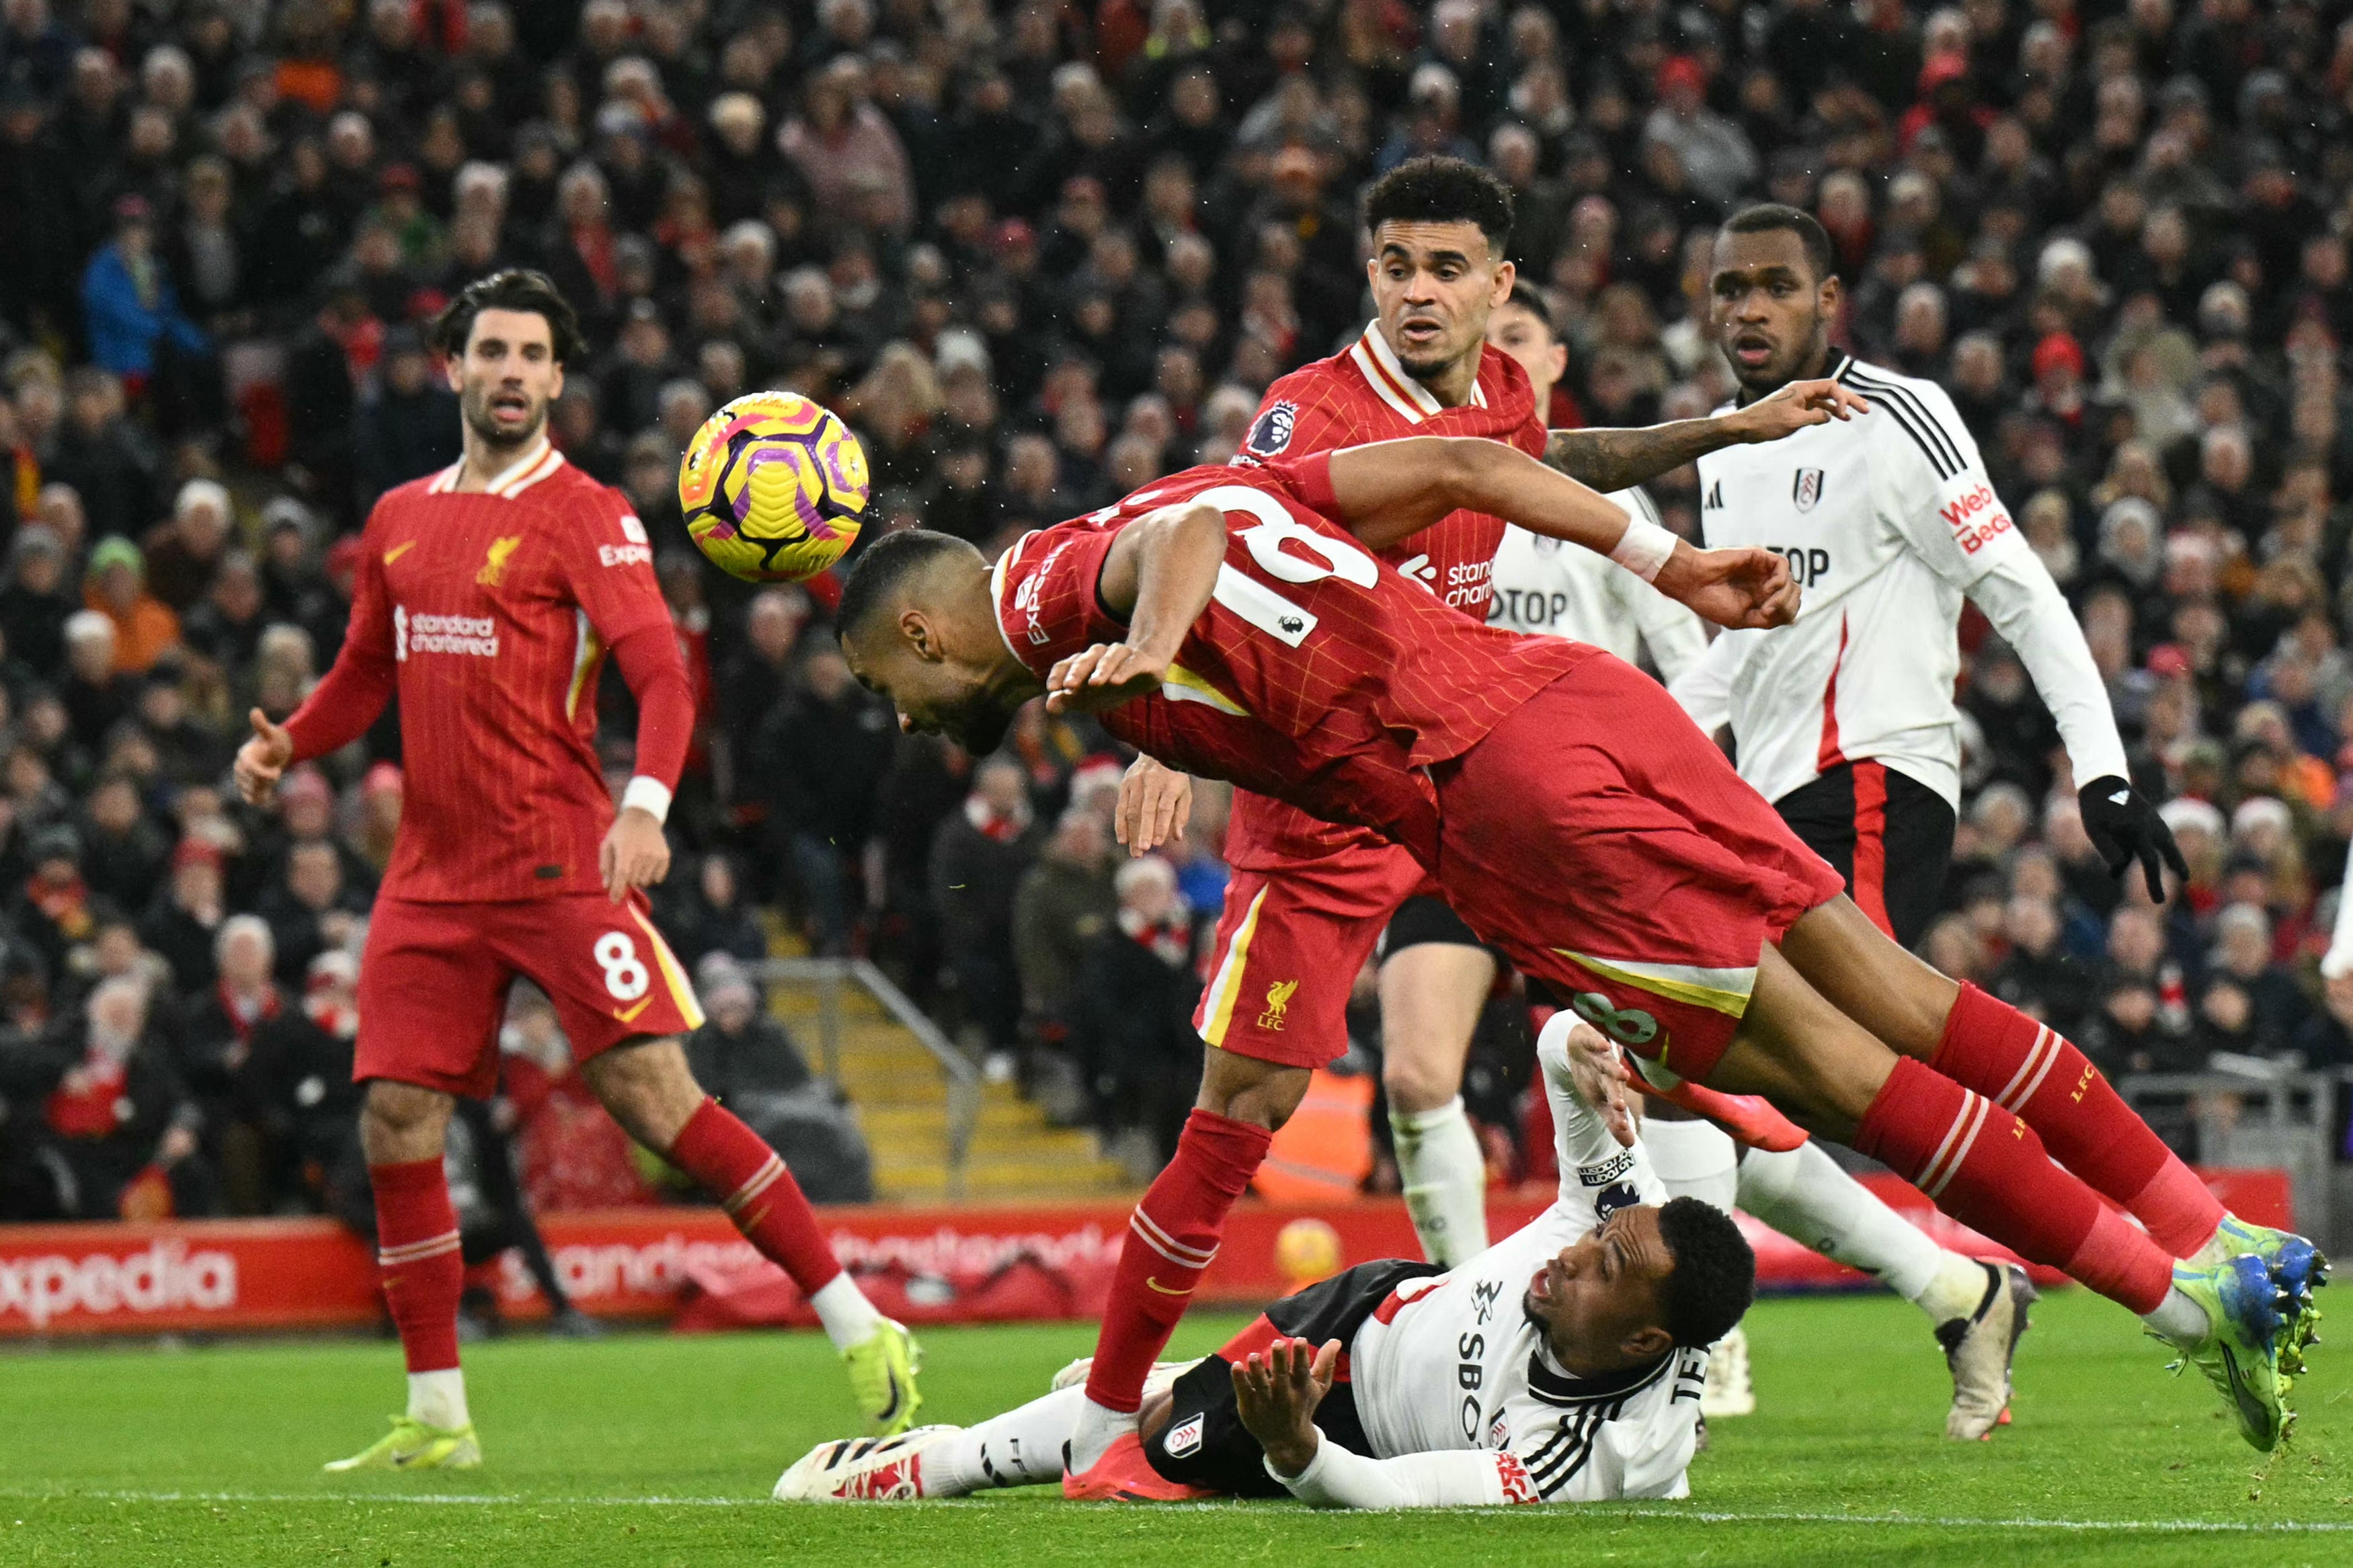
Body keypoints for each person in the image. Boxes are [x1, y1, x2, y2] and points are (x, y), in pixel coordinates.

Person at [834, 431, 2318, 1464]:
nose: (904, 722)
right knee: (1896, 994)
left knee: (1837, 1077)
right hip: (1577, 699)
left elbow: (1186, 545)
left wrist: (1155, 648)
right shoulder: (1184, 492)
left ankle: (2183, 1310)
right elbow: (1458, 475)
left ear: (916, 631)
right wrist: (1669, 568)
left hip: (1503, 803)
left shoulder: (1036, 596)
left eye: (885, 688)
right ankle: (2216, 1244)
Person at [1086, 154, 1862, 1475]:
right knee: (1244, 1114)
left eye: (1447, 269)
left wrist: (1721, 434)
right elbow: (1204, 538)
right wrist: (1163, 712)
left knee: (1671, 991)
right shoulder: (1303, 414)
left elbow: (1539, 458)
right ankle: (1108, 1427)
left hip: (1453, 782)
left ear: (1500, 286)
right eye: (1395, 266)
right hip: (1318, 801)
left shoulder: (1501, 389)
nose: (1417, 293)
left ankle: (1843, 1167)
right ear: (1369, 276)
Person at [233, 270, 920, 1473]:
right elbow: (362, 674)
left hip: (560, 859)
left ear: (556, 378)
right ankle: (438, 1410)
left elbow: (664, 675)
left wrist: (644, 806)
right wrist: (292, 735)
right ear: (452, 368)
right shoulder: (396, 516)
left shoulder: (588, 512)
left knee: (659, 1103)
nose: (508, 371)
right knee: (396, 1119)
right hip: (431, 878)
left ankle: (857, 1320)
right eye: (488, 350)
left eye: (531, 355)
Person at [1483, 276, 2034, 1437]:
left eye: (1518, 331)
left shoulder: (1586, 499)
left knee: (1701, 1067)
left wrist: (1652, 776)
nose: (1496, 349)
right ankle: (1957, 1284)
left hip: (1621, 819)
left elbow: (1703, 637)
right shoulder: (1453, 493)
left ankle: (1695, 1354)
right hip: (1506, 832)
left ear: (1557, 357)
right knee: (1705, 1085)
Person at [776, 1015, 1750, 1506]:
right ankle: (935, 1463)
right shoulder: (1631, 1214)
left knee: (1146, 1447)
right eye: (1593, 1238)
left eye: (1602, 1271)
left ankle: (931, 1463)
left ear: (1648, 1337)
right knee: (1131, 1436)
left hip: (1344, 1420)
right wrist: (1570, 1036)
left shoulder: (1583, 1454)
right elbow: (1554, 1055)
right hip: (1374, 1302)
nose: (1575, 1254)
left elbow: (1392, 1494)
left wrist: (1299, 1448)